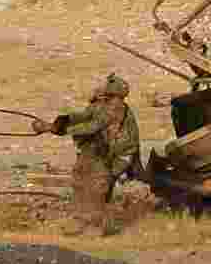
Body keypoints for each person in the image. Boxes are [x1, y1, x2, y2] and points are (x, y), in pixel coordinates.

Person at [32, 73, 141, 236]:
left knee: (98, 185)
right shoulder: (102, 104)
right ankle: (84, 222)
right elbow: (83, 117)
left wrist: (56, 130)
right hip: (102, 152)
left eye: (107, 85)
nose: (102, 88)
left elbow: (94, 127)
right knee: (80, 179)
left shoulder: (115, 106)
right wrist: (61, 122)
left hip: (119, 155)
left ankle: (97, 226)